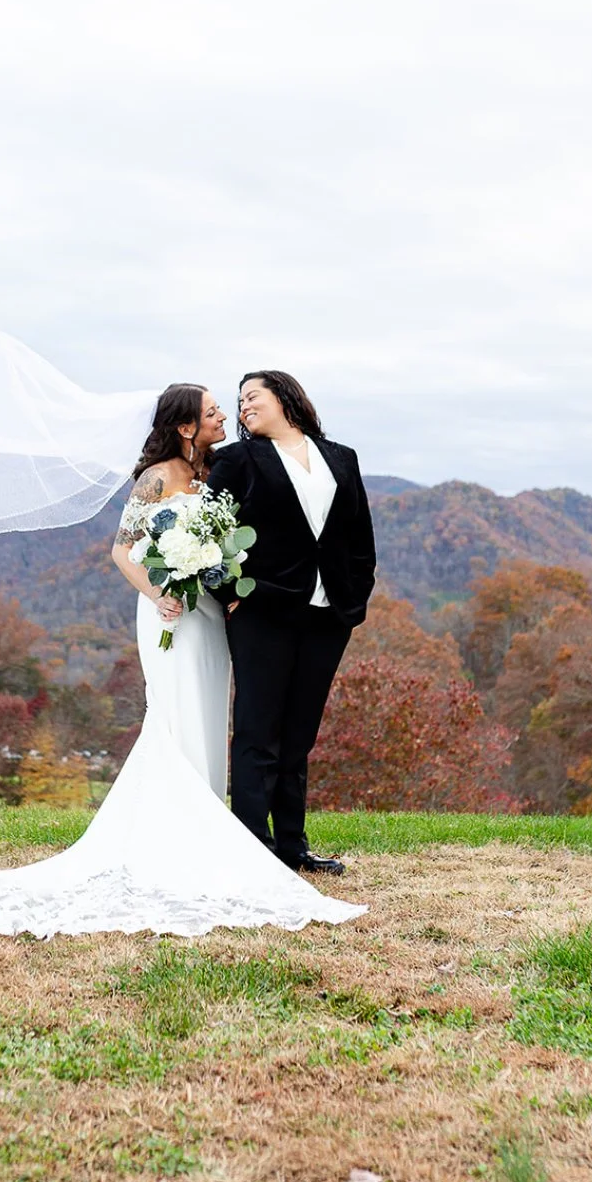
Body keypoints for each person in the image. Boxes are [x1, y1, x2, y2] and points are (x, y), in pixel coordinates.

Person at [0, 381, 367, 936]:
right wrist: (161, 591)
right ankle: (216, 841)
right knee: (182, 717)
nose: (226, 416)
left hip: (210, 617)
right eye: (216, 410)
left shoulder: (215, 474)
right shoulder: (160, 477)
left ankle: (229, 835)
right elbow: (124, 547)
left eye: (231, 406)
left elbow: (243, 538)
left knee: (212, 720)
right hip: (170, 611)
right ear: (186, 425)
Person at [206, 371, 376, 875]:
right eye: (238, 403)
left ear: (284, 397)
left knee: (300, 734)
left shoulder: (342, 458)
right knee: (258, 731)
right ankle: (252, 849)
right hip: (262, 612)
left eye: (251, 397)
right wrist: (229, 594)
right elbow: (206, 533)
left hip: (329, 616)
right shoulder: (237, 461)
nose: (242, 407)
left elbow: (359, 536)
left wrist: (356, 598)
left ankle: (292, 847)